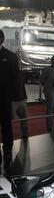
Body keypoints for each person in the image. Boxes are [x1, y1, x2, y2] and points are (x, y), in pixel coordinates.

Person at [0, 29, 18, 168]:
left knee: (7, 128)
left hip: (5, 101)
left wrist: (12, 100)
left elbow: (15, 80)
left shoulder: (11, 57)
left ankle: (7, 153)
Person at [12, 70, 29, 139]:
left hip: (20, 99)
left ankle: (25, 135)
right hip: (13, 100)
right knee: (9, 120)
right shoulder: (8, 73)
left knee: (24, 119)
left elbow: (22, 85)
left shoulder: (21, 73)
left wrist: (24, 97)